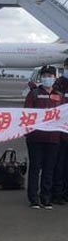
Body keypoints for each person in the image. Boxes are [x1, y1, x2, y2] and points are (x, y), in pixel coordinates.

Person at [24, 64, 62, 209]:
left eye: (50, 76)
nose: (47, 78)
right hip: (36, 137)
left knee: (49, 169)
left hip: (53, 138)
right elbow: (26, 114)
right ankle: (33, 198)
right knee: (35, 168)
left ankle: (46, 198)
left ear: (55, 78)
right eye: (45, 76)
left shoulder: (59, 95)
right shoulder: (34, 94)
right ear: (41, 78)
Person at [51, 57, 68, 204]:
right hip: (61, 132)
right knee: (59, 164)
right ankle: (57, 193)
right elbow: (54, 104)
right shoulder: (58, 84)